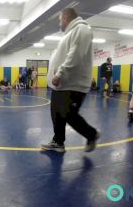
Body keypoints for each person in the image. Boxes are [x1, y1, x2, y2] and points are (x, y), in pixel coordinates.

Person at [42, 8, 99, 153]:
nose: (59, 23)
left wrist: (59, 73)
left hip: (73, 84)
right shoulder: (69, 34)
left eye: (60, 20)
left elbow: (75, 56)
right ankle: (58, 142)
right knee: (56, 113)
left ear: (66, 18)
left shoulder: (82, 29)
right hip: (62, 85)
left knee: (68, 114)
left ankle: (91, 134)